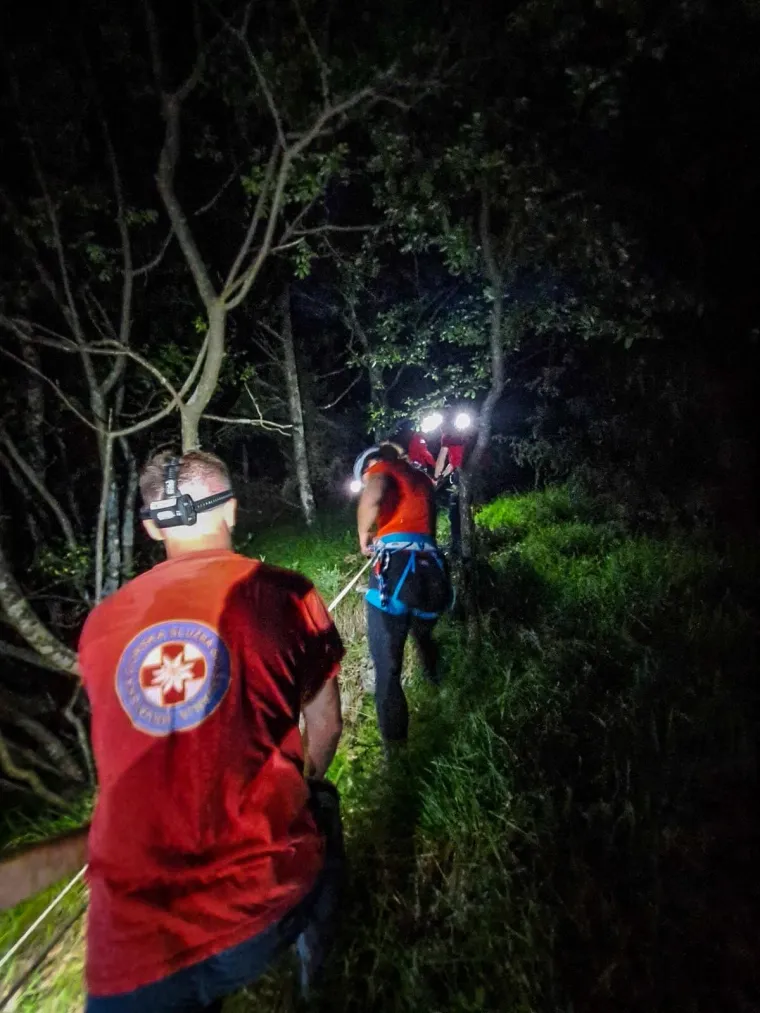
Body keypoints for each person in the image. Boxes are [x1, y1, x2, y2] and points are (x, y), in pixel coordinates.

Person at [77, 450, 345, 1012]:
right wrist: (304, 781)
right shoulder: (289, 594)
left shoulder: (100, 624)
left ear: (151, 527)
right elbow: (326, 724)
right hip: (260, 898)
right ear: (233, 511)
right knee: (324, 807)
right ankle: (321, 971)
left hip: (130, 940)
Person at [356, 442, 451, 752]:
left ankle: (396, 756)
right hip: (433, 573)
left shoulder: (382, 470)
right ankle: (439, 692)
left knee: (387, 668)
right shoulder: (421, 479)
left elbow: (375, 493)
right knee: (424, 635)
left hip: (397, 571)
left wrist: (363, 535)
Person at [435, 425, 470, 557]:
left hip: (463, 475)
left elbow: (441, 460)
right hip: (462, 473)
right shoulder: (463, 433)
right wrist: (440, 477)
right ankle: (460, 543)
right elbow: (452, 463)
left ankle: (458, 548)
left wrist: (436, 476)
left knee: (455, 512)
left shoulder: (447, 436)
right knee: (456, 511)